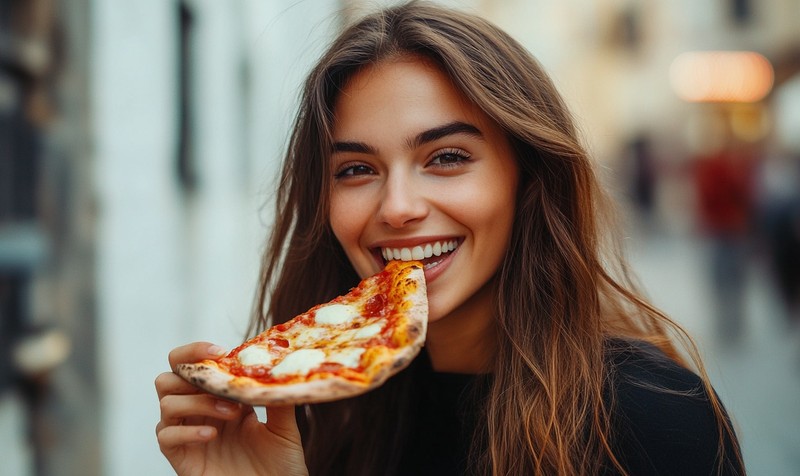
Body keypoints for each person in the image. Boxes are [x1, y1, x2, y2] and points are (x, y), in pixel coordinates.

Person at [155, 2, 745, 475]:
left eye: (447, 157)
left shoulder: (653, 418)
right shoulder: (328, 422)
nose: (399, 208)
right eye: (356, 169)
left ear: (528, 177)